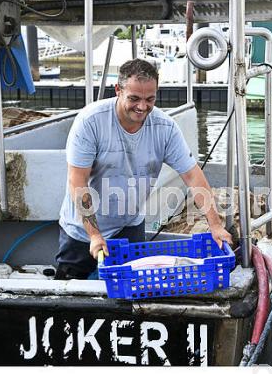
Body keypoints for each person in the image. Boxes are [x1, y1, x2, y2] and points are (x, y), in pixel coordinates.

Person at [56, 58, 232, 280]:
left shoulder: (165, 127)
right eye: (134, 98)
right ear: (118, 90)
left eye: (150, 99)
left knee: (130, 296)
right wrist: (94, 234)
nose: (142, 107)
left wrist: (215, 225)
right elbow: (77, 181)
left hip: (129, 225)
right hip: (82, 231)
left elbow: (192, 176)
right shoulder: (91, 121)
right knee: (69, 297)